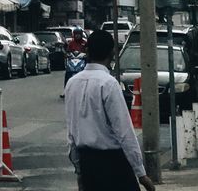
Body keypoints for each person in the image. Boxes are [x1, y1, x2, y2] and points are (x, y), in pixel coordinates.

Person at [65, 29, 155, 191]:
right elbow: (124, 132)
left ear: (87, 51)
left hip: (87, 163)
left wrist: (79, 171)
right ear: (112, 53)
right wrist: (141, 173)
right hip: (113, 163)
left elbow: (72, 131)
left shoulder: (72, 83)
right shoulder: (108, 83)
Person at [61, 24, 87, 97]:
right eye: (76, 34)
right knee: (67, 73)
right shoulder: (71, 43)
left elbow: (88, 51)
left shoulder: (84, 42)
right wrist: (67, 54)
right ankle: (65, 90)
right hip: (73, 61)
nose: (77, 36)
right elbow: (68, 51)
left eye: (79, 34)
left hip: (82, 61)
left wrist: (86, 55)